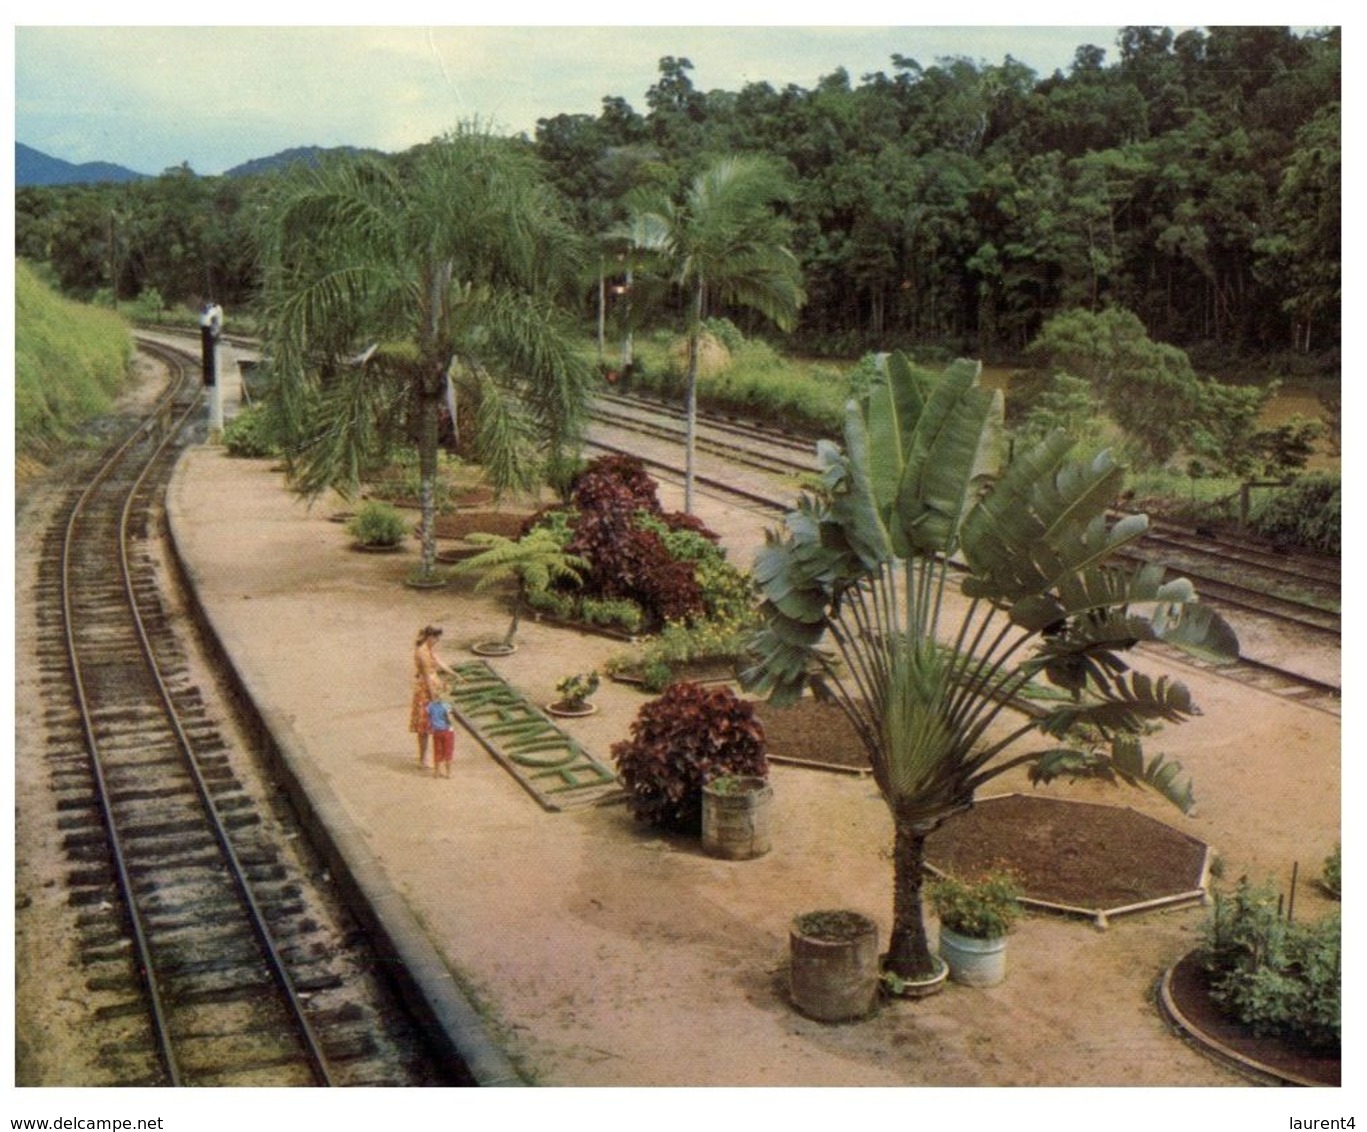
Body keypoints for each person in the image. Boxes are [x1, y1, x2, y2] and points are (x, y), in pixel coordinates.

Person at [410, 625, 457, 766]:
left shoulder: (429, 649)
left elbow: (439, 662)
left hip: (434, 686)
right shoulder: (422, 652)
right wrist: (433, 697)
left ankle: (429, 757)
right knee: (424, 726)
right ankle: (423, 759)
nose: (438, 640)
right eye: (436, 637)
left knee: (433, 724)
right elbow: (426, 676)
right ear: (430, 636)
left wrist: (454, 673)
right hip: (426, 690)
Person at [425, 680, 456, 779]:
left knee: (437, 751)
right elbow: (449, 718)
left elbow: (428, 717)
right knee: (448, 751)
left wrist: (430, 726)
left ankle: (437, 772)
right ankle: (449, 773)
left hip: (436, 731)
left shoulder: (430, 705)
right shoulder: (446, 706)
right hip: (447, 730)